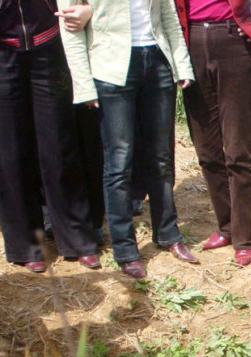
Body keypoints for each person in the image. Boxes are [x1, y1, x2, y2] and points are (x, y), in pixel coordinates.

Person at [57, 0, 199, 279]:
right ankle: (125, 248)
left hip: (157, 62)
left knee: (161, 157)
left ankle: (168, 233)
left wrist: (181, 64)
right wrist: (84, 85)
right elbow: (71, 29)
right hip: (111, 67)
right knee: (119, 162)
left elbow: (168, 14)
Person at [0, 0, 101, 274]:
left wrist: (87, 7)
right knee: (9, 148)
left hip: (48, 39)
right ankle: (26, 244)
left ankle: (77, 237)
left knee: (59, 142)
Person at [174, 0, 251, 266]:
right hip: (191, 42)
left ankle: (245, 237)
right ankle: (226, 225)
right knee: (207, 149)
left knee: (237, 149)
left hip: (233, 40)